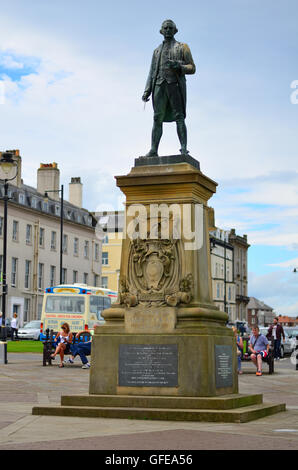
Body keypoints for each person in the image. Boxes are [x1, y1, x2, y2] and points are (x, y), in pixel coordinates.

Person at [142, 19, 196, 157]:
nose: (167, 30)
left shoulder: (182, 47)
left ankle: (183, 149)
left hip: (175, 85)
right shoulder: (156, 51)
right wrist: (147, 90)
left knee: (180, 117)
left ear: (175, 30)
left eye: (170, 28)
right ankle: (154, 149)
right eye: (165, 28)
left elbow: (192, 68)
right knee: (156, 118)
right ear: (161, 31)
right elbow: (151, 71)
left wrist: (179, 66)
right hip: (159, 86)